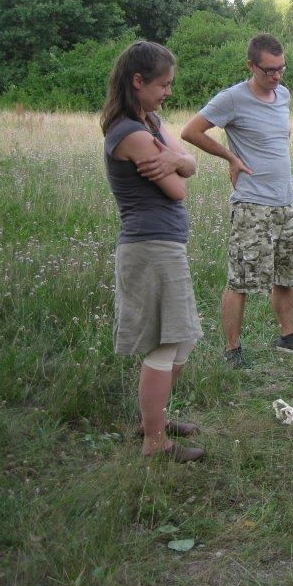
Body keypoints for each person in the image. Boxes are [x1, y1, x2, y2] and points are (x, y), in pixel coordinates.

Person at [181, 34, 293, 368]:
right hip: (252, 205)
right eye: (269, 70)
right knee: (240, 280)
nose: (276, 76)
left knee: (286, 275)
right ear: (251, 66)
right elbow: (191, 131)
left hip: (285, 202)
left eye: (281, 68)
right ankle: (232, 350)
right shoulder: (232, 99)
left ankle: (288, 337)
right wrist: (231, 157)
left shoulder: (283, 95)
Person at [101, 41, 205, 462]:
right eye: (163, 85)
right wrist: (180, 164)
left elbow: (189, 163)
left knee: (183, 340)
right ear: (137, 81)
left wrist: (179, 160)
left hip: (164, 244)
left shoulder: (151, 122)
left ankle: (153, 420)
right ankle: (154, 441)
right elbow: (179, 189)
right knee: (166, 343)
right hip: (149, 247)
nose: (168, 92)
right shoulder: (130, 133)